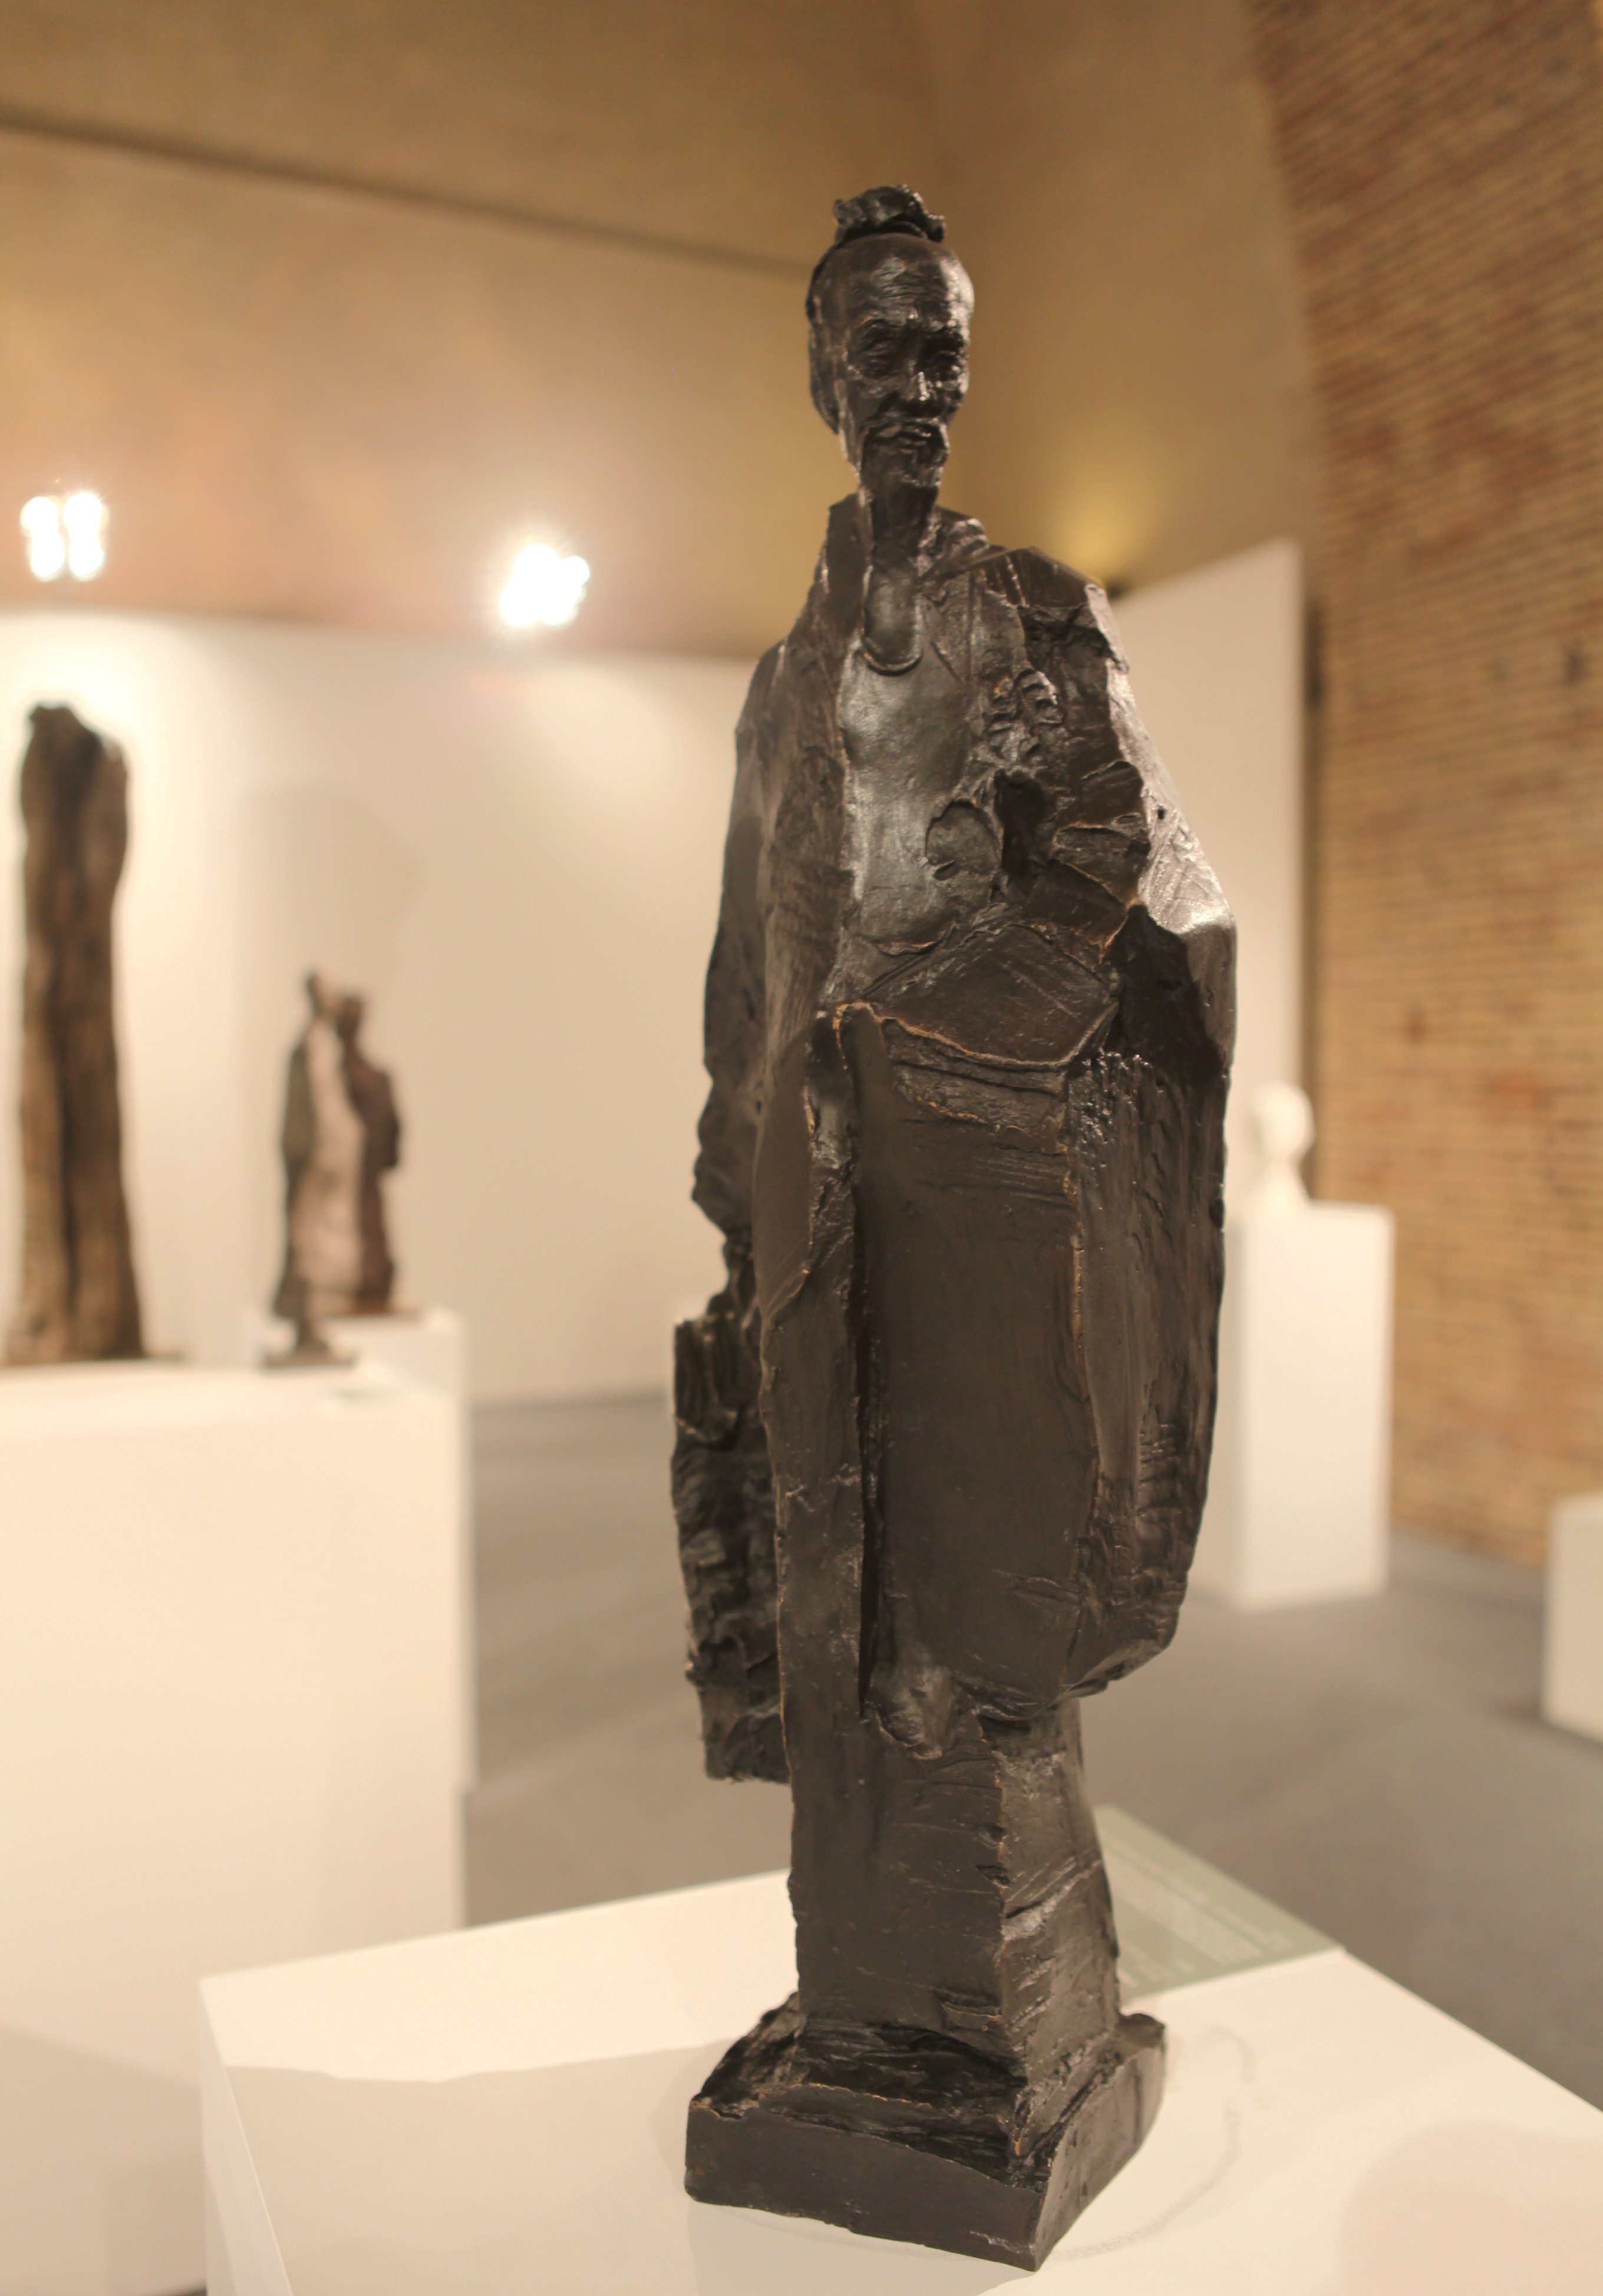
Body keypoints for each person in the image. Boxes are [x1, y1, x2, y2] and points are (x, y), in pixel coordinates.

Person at [674, 187, 1235, 2264]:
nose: (923, 387)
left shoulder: (1042, 621)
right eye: (888, 351)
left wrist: (944, 1039)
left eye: (946, 353)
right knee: (835, 1584)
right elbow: (752, 938)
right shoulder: (783, 677)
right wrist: (735, 1130)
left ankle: (1006, 2013)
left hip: (979, 1172)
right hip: (820, 1190)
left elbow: (1129, 866)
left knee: (980, 1601)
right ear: (824, 375)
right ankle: (876, 2012)